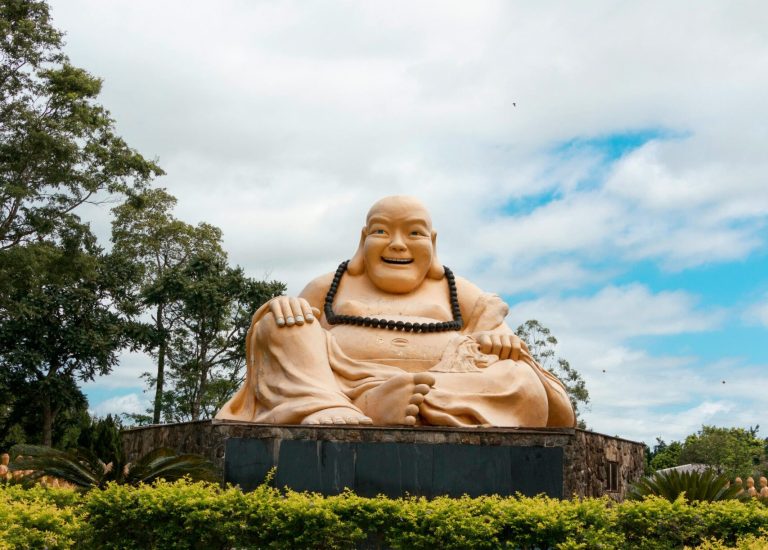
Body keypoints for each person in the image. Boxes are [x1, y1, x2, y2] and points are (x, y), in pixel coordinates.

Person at [216, 196, 575, 427]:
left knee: (520, 379)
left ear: (433, 242)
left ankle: (389, 405)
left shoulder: (457, 290)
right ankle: (343, 404)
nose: (398, 244)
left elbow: (503, 341)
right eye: (382, 231)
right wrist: (285, 306)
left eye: (414, 233)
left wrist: (497, 338)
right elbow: (288, 346)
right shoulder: (331, 284)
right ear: (363, 239)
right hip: (339, 385)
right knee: (277, 323)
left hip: (439, 385)